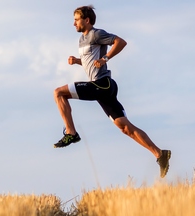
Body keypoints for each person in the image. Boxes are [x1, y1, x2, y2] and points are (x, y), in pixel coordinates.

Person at [53, 5, 171, 178]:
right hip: (102, 88)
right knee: (124, 127)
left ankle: (71, 133)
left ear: (87, 20)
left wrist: (105, 58)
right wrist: (77, 61)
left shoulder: (96, 33)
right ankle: (160, 154)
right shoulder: (82, 40)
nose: (73, 23)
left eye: (76, 19)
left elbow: (120, 42)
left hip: (103, 84)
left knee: (58, 92)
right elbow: (90, 61)